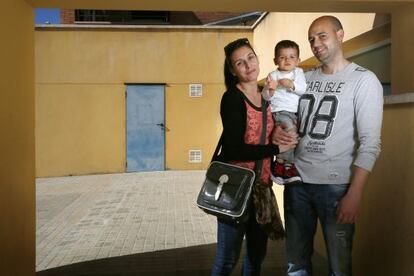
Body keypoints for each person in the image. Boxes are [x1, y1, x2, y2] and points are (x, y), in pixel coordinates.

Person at [273, 16, 384, 275]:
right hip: (297, 182)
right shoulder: (303, 78)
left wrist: (354, 194)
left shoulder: (363, 80)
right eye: (311, 39)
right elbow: (285, 115)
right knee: (295, 265)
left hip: (336, 188)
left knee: (339, 269)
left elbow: (370, 143)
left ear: (340, 34)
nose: (315, 43)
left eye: (322, 36)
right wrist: (278, 133)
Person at [211, 38, 295, 276]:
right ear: (232, 70)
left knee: (255, 258)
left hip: (262, 189)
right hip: (235, 189)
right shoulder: (232, 99)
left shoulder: (266, 95)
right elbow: (235, 149)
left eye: (250, 58)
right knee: (227, 260)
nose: (248, 65)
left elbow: (265, 132)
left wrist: (278, 134)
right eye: (240, 63)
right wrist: (275, 150)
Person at [261, 40, 307, 185]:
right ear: (275, 60)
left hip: (294, 113)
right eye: (282, 57)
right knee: (288, 132)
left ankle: (281, 164)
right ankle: (285, 165)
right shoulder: (273, 75)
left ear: (298, 60)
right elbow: (264, 97)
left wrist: (292, 85)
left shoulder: (298, 73)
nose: (287, 60)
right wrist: (271, 90)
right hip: (279, 112)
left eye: (292, 57)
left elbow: (303, 89)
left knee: (293, 136)